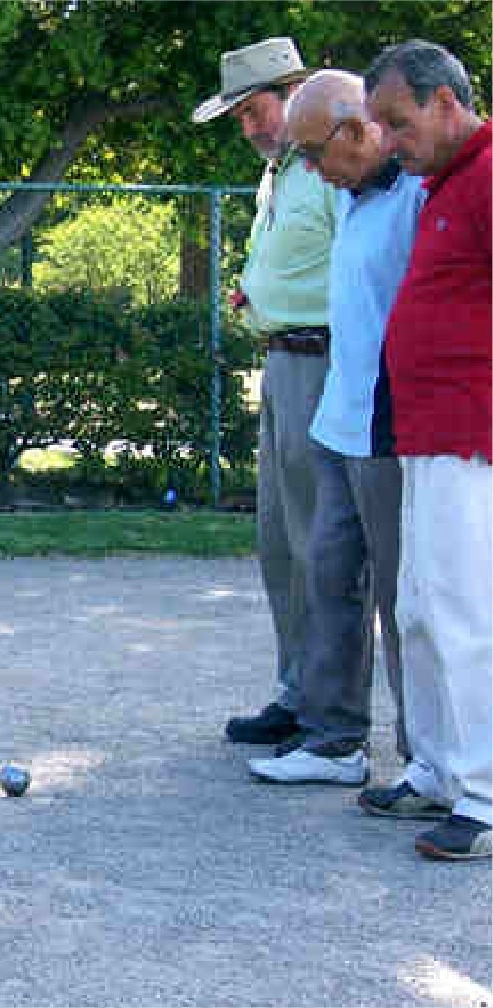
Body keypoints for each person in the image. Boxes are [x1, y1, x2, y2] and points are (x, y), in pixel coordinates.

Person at [245, 70, 424, 786]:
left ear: (357, 130)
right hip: (338, 411)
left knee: (403, 589)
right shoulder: (349, 195)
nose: (311, 168)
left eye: (315, 151)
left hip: (388, 415)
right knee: (326, 572)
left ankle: (429, 756)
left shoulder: (412, 195)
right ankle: (332, 739)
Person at [358, 40, 492, 860]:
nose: (388, 141)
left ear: (446, 102)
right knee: (415, 609)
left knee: (464, 614)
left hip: (470, 433)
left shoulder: (487, 175)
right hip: (426, 433)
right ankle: (437, 769)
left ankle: (482, 793)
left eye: (398, 123)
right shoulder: (445, 182)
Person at [193, 38, 339, 745]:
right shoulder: (277, 177)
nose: (250, 125)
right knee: (277, 543)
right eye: (240, 115)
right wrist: (256, 293)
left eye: (256, 108)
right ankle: (295, 690)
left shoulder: (330, 171)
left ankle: (329, 714)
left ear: (297, 94)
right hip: (281, 362)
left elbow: (360, 272)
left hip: (324, 362)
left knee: (324, 546)